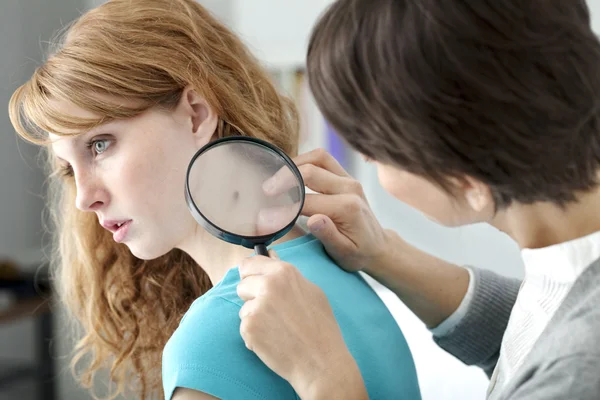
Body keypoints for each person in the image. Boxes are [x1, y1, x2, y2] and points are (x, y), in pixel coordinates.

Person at [8, 0, 422, 399]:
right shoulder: (333, 260)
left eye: (100, 145)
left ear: (196, 114)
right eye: (67, 169)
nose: (83, 198)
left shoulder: (211, 341)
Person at [237, 0, 600, 399]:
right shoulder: (569, 260)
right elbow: (533, 334)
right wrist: (381, 253)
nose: (369, 162)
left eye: (374, 153)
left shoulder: (577, 372)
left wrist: (323, 375)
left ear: (469, 181)